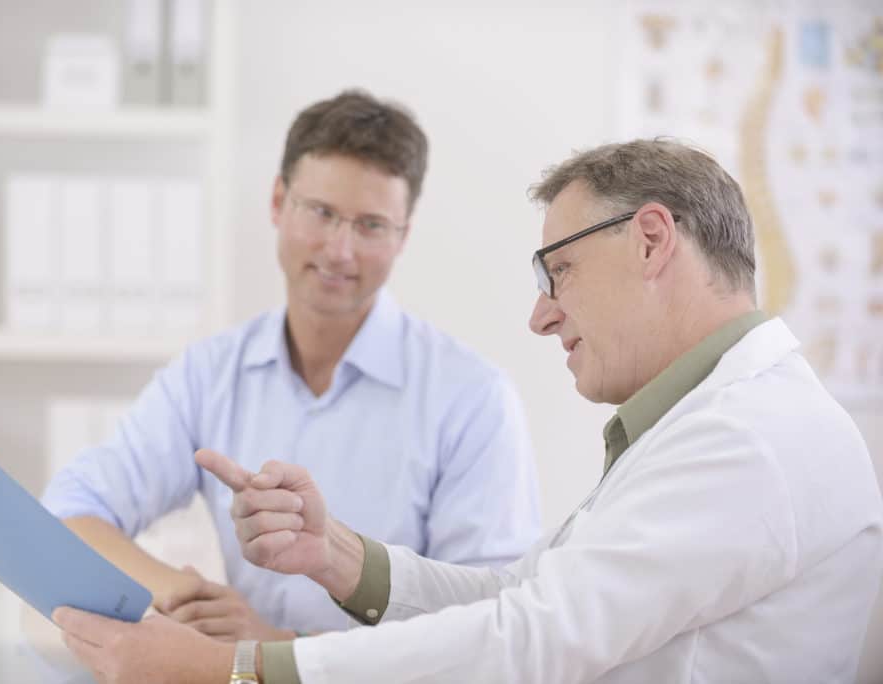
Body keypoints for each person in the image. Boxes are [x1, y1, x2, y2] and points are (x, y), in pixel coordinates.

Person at [52, 139, 883, 683]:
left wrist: (233, 670)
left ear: (652, 241)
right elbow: (524, 597)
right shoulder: (712, 422)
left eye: (557, 271)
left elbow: (528, 640)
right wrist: (341, 557)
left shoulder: (749, 440)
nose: (542, 314)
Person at [41, 89, 542, 642]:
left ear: (404, 235)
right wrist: (181, 597)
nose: (339, 250)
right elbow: (71, 511)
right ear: (278, 202)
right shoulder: (211, 373)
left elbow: (489, 628)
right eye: (321, 212)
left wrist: (274, 653)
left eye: (371, 225)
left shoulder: (471, 398)